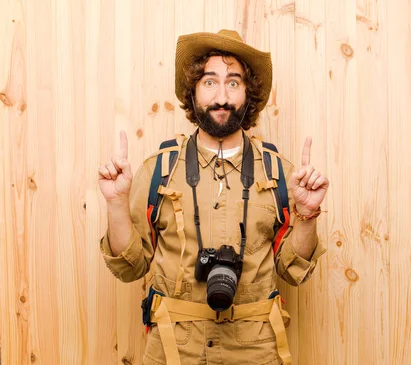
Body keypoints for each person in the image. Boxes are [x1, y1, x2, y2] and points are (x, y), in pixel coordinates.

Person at [97, 29, 328, 365]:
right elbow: (130, 269)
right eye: (209, 82)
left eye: (233, 82)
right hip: (173, 350)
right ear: (193, 90)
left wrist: (307, 213)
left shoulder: (281, 175)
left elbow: (294, 272)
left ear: (249, 93)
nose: (222, 96)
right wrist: (116, 203)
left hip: (257, 351)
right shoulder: (159, 170)